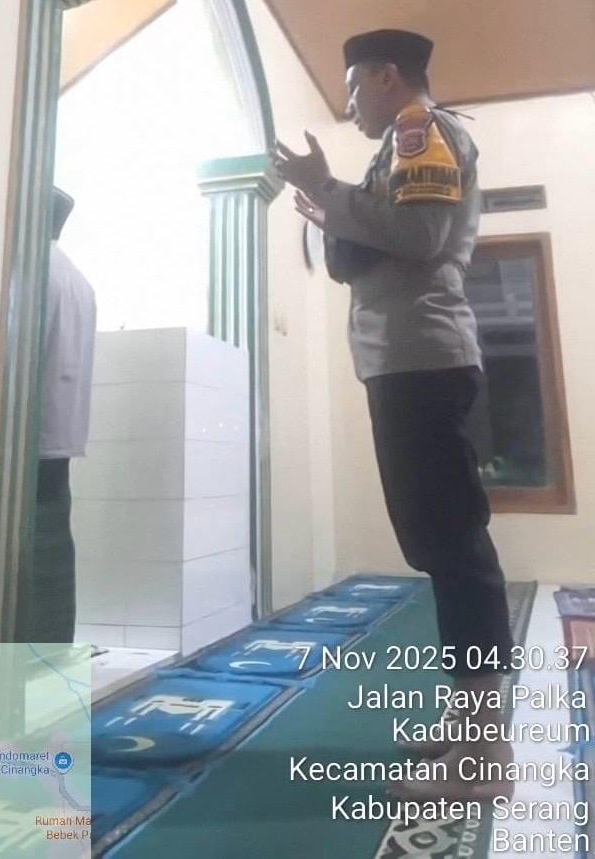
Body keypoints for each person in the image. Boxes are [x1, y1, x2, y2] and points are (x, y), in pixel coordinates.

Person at [274, 29, 515, 801]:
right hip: (405, 361)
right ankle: (468, 722)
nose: (349, 103)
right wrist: (336, 206)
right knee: (439, 545)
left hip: (423, 361)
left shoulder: (420, 129)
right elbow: (378, 241)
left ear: (386, 76)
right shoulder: (398, 147)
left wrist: (331, 190)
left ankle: (486, 752)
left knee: (455, 546)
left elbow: (420, 234)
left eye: (352, 87)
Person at [18, 187, 97, 643]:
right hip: (60, 433)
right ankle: (51, 655)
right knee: (53, 547)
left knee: (31, 554)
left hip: (27, 437)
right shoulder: (77, 279)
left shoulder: (32, 273)